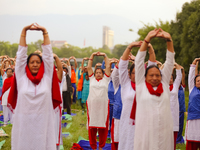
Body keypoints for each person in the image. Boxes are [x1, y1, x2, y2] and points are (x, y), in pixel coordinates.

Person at [7, 23, 62, 150]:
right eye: (32, 62)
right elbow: (20, 56)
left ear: (42, 64)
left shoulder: (47, 77)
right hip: (24, 123)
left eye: (38, 62)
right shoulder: (21, 77)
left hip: (43, 123)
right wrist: (24, 31)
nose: (35, 64)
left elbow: (48, 56)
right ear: (27, 65)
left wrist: (44, 32)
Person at [134, 28, 175, 150]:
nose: (154, 78)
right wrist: (147, 40)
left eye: (157, 75)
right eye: (151, 75)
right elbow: (139, 61)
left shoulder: (165, 85)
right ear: (144, 77)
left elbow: (170, 61)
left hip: (164, 132)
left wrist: (169, 40)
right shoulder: (141, 85)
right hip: (146, 133)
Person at [87, 51, 111, 150]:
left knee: (103, 128)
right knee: (92, 128)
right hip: (92, 107)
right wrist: (92, 55)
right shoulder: (91, 79)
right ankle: (93, 146)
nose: (97, 74)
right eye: (96, 72)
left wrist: (105, 56)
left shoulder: (106, 79)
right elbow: (89, 67)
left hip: (103, 107)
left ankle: (101, 146)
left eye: (99, 72)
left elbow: (108, 66)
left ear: (102, 73)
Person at [185, 58, 200, 150]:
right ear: (195, 83)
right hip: (193, 119)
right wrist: (194, 64)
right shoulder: (191, 89)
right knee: (192, 142)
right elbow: (191, 76)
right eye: (198, 81)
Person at [168, 63, 182, 150]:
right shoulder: (163, 86)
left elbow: (179, 75)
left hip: (174, 115)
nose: (170, 79)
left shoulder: (176, 86)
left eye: (171, 78)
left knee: (173, 139)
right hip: (165, 115)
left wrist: (175, 64)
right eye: (168, 78)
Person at [176, 66, 186, 144]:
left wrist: (182, 70)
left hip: (181, 110)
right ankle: (175, 139)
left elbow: (183, 78)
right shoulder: (173, 88)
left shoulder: (183, 87)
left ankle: (179, 139)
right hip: (175, 110)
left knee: (180, 126)